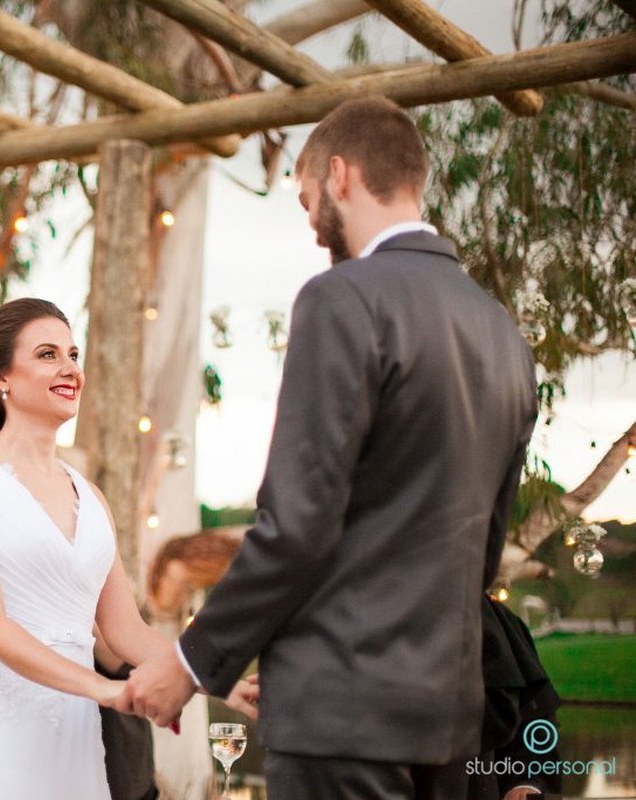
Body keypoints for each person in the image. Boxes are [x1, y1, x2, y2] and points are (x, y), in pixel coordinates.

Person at [120, 96, 538, 800]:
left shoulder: (342, 299)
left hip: (341, 715)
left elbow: (297, 526)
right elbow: (483, 551)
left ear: (340, 176)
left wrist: (190, 664)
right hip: (449, 720)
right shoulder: (503, 333)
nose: (314, 225)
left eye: (309, 198)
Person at [0, 298, 256, 798]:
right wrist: (106, 689)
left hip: (74, 738)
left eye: (73, 355)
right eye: (48, 355)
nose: (71, 368)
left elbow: (125, 631)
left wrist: (217, 679)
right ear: (2, 377)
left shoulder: (91, 496)